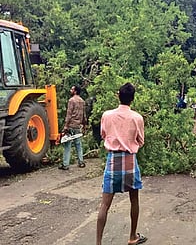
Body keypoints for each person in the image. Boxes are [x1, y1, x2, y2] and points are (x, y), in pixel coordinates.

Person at [96, 83, 147, 245]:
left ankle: (98, 242)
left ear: (118, 95)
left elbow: (103, 135)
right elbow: (141, 141)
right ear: (132, 98)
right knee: (134, 199)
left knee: (104, 204)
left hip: (113, 161)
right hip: (130, 161)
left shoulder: (107, 115)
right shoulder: (137, 118)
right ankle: (132, 236)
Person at [59, 85, 86, 170]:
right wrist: (84, 125)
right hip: (78, 126)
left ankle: (65, 164)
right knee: (78, 144)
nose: (70, 90)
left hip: (71, 125)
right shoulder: (82, 101)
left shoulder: (71, 101)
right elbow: (84, 115)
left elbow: (69, 114)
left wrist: (66, 126)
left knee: (67, 145)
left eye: (72, 89)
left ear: (75, 91)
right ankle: (81, 162)